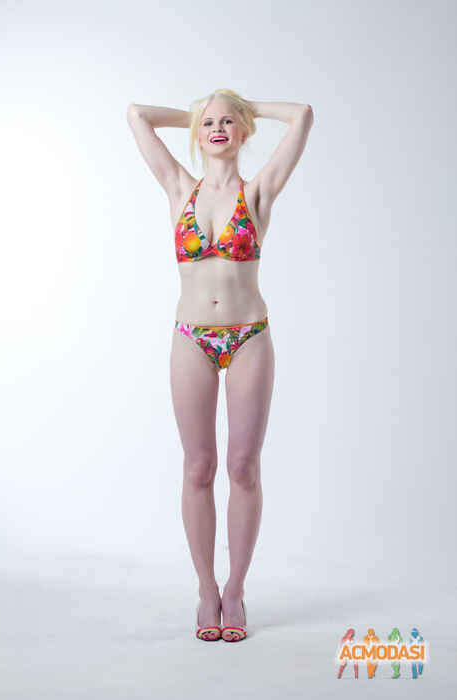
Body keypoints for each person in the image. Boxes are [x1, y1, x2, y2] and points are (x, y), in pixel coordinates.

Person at [127, 89, 314, 641]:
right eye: (209, 123)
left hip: (248, 335)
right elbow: (137, 115)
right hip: (191, 338)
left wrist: (245, 106)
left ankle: (235, 590)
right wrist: (197, 111)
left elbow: (302, 115)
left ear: (244, 131)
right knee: (198, 468)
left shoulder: (258, 192)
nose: (217, 128)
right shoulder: (178, 187)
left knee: (243, 468)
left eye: (228, 122)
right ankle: (206, 589)